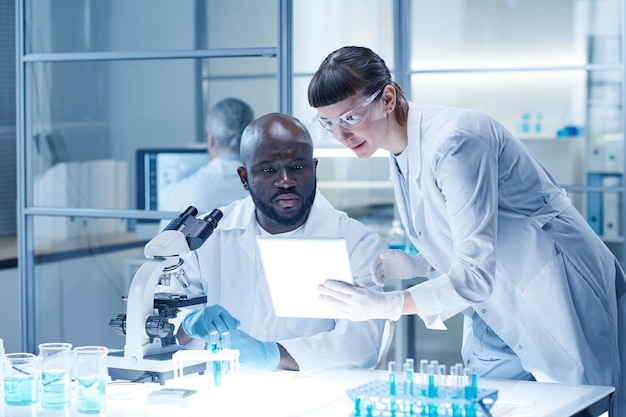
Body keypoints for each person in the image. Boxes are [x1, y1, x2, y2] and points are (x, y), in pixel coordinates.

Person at [309, 46, 625, 413]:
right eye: (328, 124)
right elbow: (467, 238)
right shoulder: (399, 153)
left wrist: (387, 305)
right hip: (498, 305)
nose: (341, 136)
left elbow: (475, 273)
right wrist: (416, 264)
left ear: (388, 98)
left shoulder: (455, 141)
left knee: (578, 402)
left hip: (551, 289)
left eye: (350, 117)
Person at [172, 112, 385, 371]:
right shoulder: (206, 236)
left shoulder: (355, 242)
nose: (286, 181)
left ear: (314, 168)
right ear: (244, 178)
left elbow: (362, 344)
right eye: (268, 169)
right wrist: (189, 325)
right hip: (225, 392)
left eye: (297, 167)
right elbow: (163, 331)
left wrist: (271, 354)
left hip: (316, 397)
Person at [160, 97, 253, 213]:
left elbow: (167, 231)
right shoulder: (264, 190)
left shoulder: (177, 194)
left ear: (211, 140)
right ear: (250, 138)